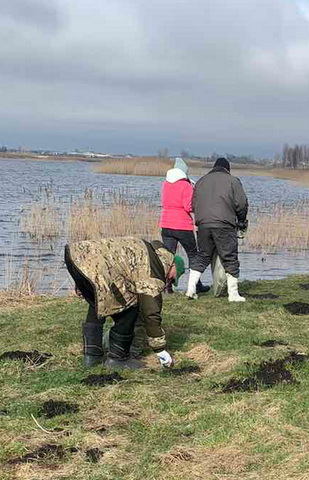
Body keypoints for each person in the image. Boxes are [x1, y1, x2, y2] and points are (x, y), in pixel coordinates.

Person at [64, 237, 180, 369]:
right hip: (94, 265)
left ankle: (91, 357)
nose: (169, 281)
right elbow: (151, 312)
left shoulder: (147, 250)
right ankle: (118, 358)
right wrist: (160, 348)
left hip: (75, 255)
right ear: (173, 264)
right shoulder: (155, 266)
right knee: (129, 306)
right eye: (173, 277)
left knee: (98, 302)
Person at [186, 157, 249, 302]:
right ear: (228, 169)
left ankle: (190, 289)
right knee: (229, 256)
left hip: (203, 224)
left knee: (202, 256)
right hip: (224, 224)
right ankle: (233, 294)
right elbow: (241, 203)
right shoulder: (233, 181)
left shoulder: (201, 181)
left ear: (213, 167)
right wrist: (241, 220)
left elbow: (193, 204)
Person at [158, 157, 209, 298]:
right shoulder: (186, 186)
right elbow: (188, 206)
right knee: (193, 255)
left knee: (168, 256)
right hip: (182, 225)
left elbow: (163, 201)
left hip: (166, 223)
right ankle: (196, 285)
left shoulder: (165, 184)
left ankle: (167, 287)